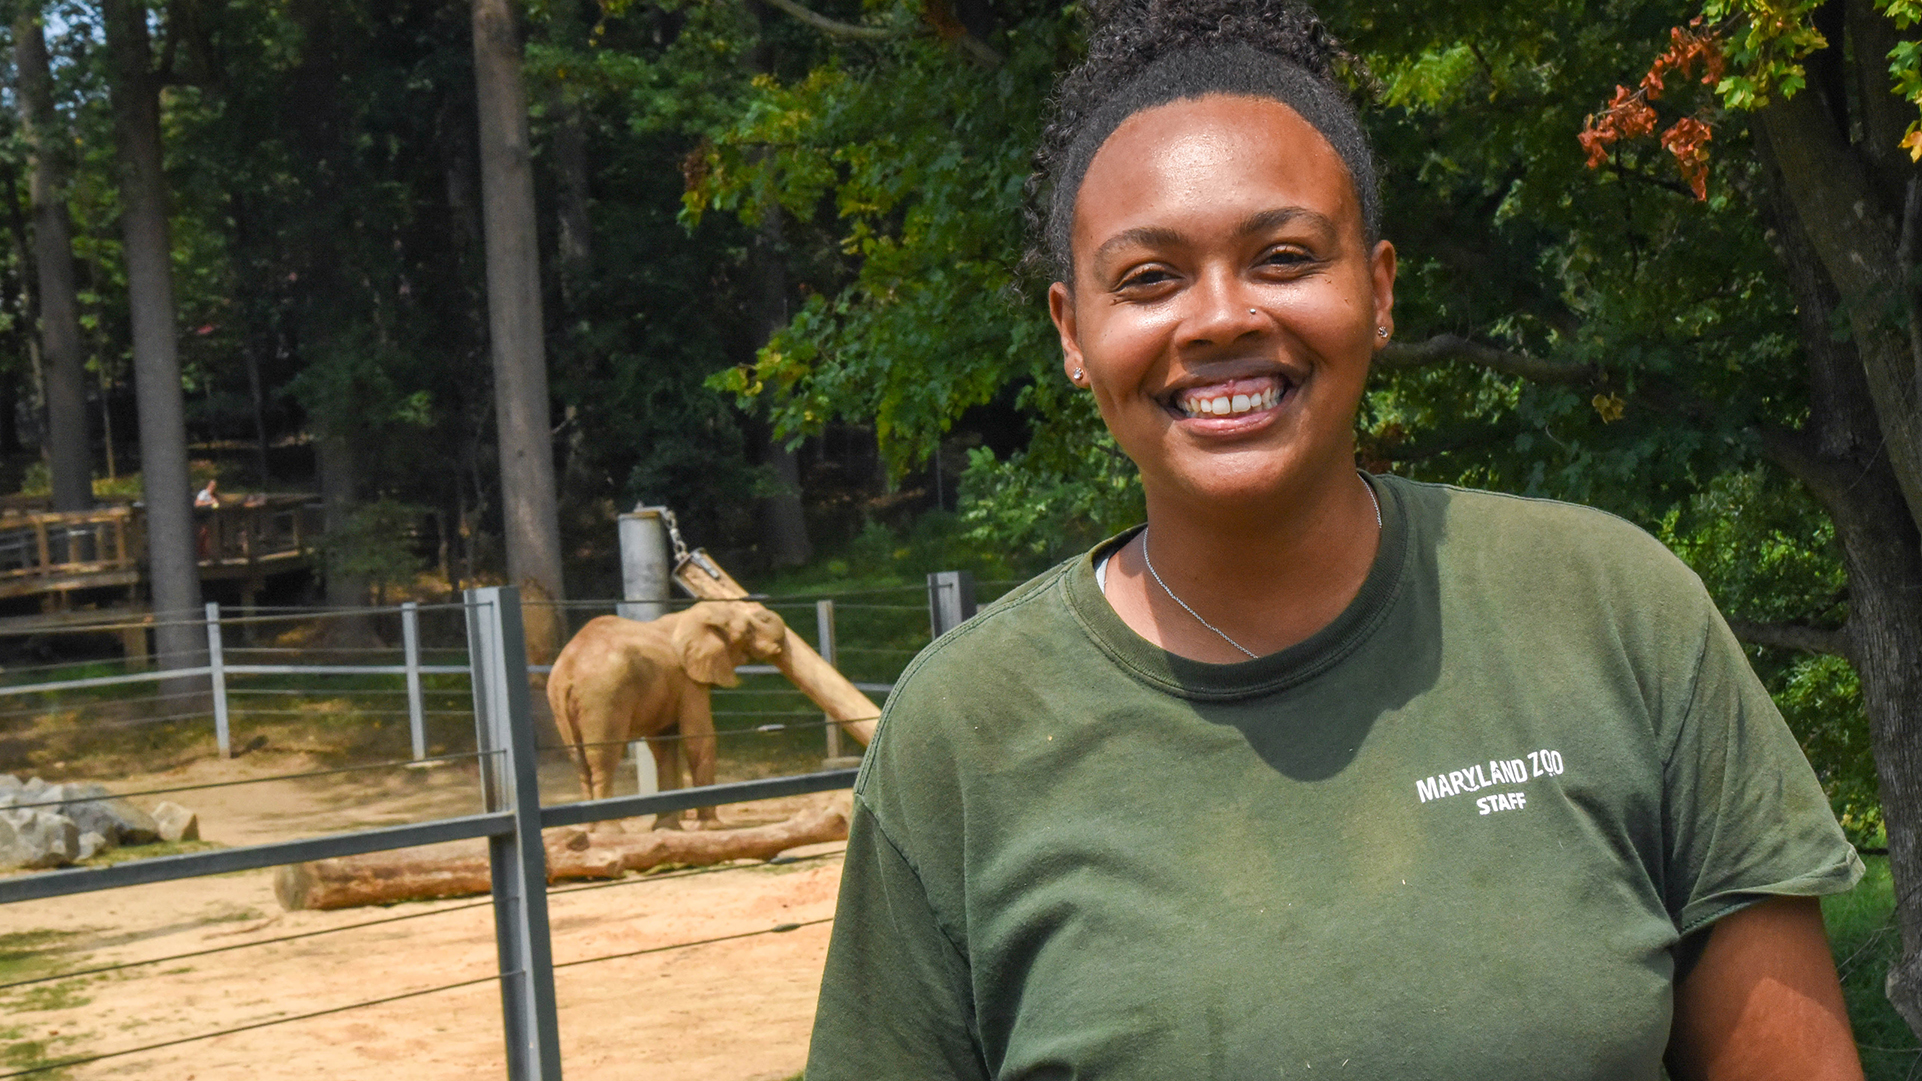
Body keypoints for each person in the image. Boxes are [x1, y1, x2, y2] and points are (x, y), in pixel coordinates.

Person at [805, 2, 1865, 1078]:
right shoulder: (962, 735)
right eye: (1147, 277)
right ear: (1072, 333)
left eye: (1281, 256)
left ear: (1378, 288)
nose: (1218, 317)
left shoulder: (1610, 612)